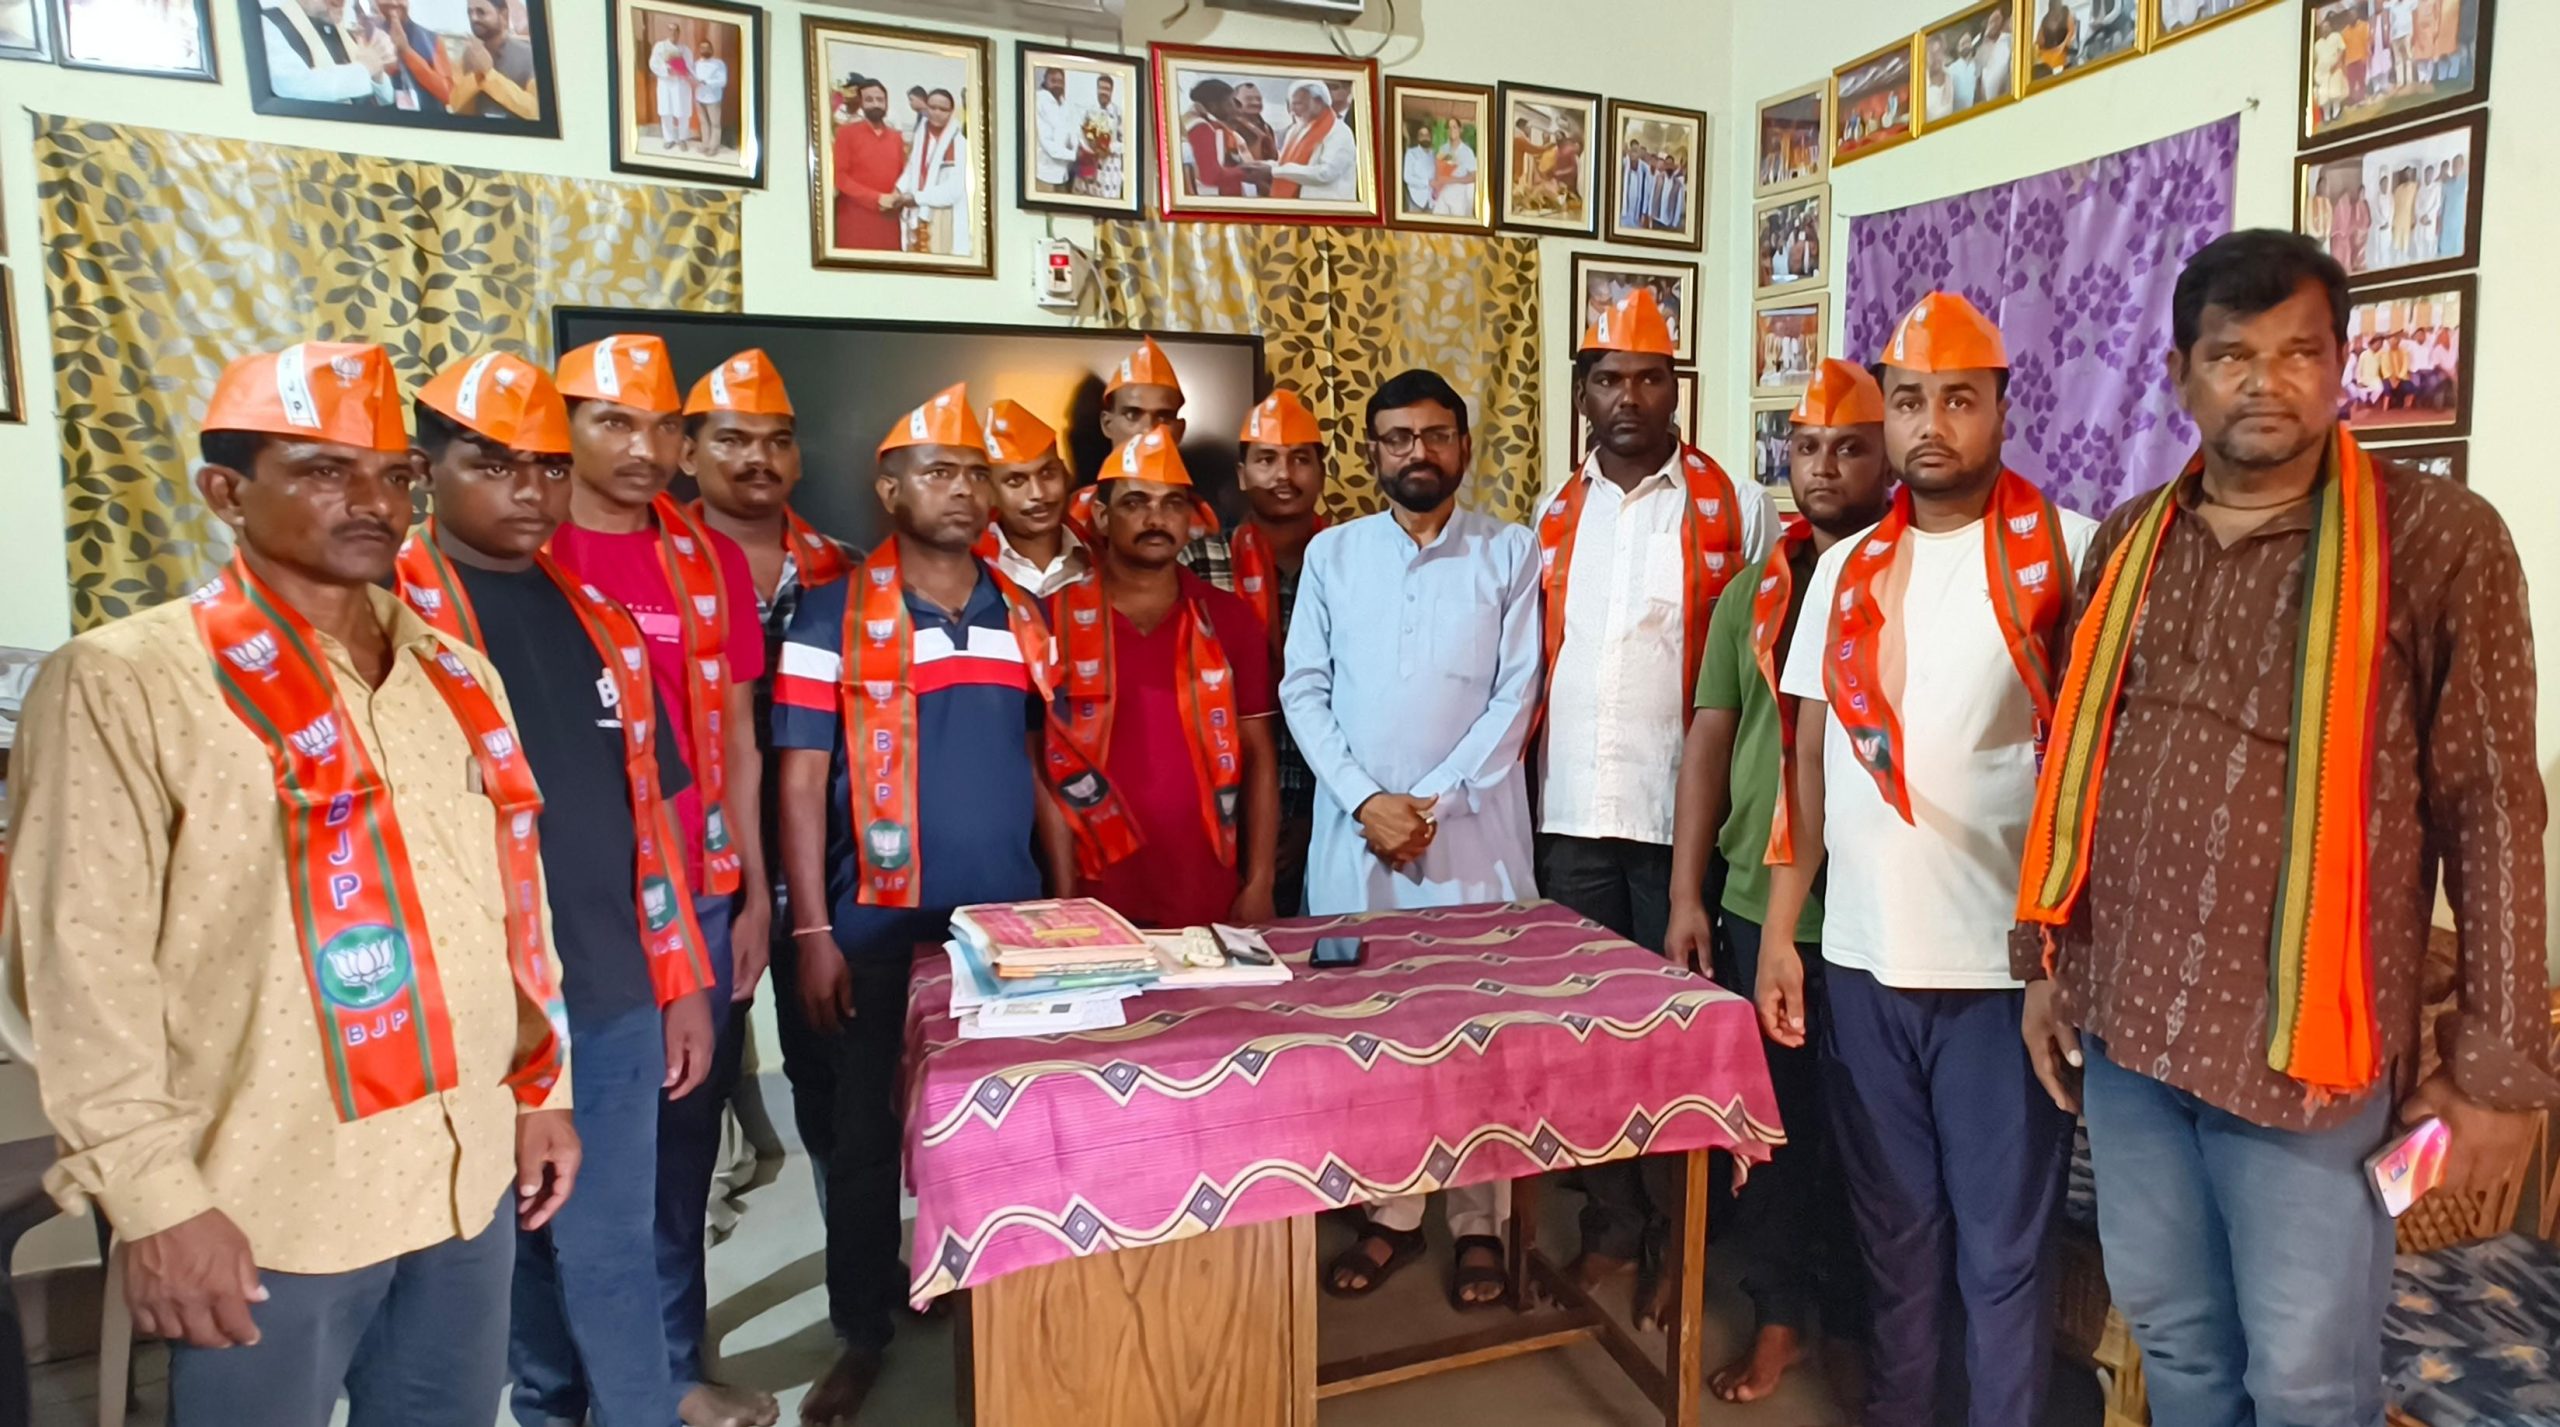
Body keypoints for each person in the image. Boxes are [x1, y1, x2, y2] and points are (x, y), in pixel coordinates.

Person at [2015, 233, 2555, 1427]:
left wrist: (2495, 1072)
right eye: (2231, 356)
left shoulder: (2436, 540)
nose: (2265, 382)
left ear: (2340, 364)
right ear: (2180, 374)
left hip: (2305, 1063)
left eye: (2298, 352)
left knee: (2306, 1379)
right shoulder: (2128, 540)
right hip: (2130, 1030)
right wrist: (2046, 961)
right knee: (2175, 1340)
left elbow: (2492, 804)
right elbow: (2075, 766)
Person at [6, 342, 578, 1426]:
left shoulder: (455, 672)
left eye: (397, 475)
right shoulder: (127, 682)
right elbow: (79, 966)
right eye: (324, 470)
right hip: (267, 1198)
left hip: (461, 1172)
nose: (375, 502)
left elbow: (515, 901)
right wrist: (155, 1201)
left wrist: (540, 1089)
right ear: (226, 492)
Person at [1759, 294, 2095, 1427]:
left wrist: (2059, 956)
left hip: (2004, 974)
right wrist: (1783, 933)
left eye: (1959, 399)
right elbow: (1809, 770)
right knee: (1895, 1243)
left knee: (2001, 1256)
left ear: (2002, 406)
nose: (1931, 424)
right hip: (1862, 961)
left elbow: (2096, 770)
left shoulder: (2068, 549)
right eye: (1909, 401)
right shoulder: (1844, 570)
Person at [394, 351, 718, 1427]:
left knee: (609, 1246)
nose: (528, 491)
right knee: (499, 1250)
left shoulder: (600, 624)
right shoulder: (386, 617)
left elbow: (651, 818)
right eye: (494, 465)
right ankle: (545, 1408)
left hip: (609, 992)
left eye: (543, 467)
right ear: (427, 471)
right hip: (462, 1006)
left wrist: (681, 980)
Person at [775, 386, 1076, 1424]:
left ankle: (1004, 1293)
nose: (964, 489)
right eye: (940, 471)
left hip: (1001, 922)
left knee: (1008, 1122)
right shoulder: (828, 615)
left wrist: (1066, 898)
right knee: (863, 1135)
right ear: (891, 488)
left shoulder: (1019, 613)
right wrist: (810, 930)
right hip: (869, 920)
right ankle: (862, 1330)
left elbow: (1034, 765)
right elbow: (801, 782)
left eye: (977, 472)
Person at [547, 334, 775, 1427]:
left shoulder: (707, 560)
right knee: (553, 1167)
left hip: (696, 896)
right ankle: (566, 1392)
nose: (643, 448)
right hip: (556, 909)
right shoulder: (519, 546)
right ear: (563, 430)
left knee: (677, 1156)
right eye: (613, 422)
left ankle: (673, 1371)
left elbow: (738, 739)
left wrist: (755, 895)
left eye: (661, 426)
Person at [1282, 368, 1541, 1310]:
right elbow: (1302, 688)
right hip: (1357, 842)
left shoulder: (1511, 551)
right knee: (1371, 1031)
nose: (1417, 453)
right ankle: (1391, 1211)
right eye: (1398, 437)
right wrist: (1366, 802)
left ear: (1464, 446)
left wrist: (1426, 805)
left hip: (1473, 841)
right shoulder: (1333, 555)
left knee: (1478, 1033)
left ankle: (1480, 1222)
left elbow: (1516, 695)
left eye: (1435, 435)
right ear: (1373, 451)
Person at [1541, 285, 1774, 1315]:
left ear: (1676, 387)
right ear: (1583, 392)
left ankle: (1687, 1238)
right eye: (1608, 379)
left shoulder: (1736, 506)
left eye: (1648, 377)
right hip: (1570, 819)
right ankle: (1612, 1225)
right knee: (1586, 1035)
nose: (1628, 396)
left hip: (1684, 827)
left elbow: (1750, 680)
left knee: (1683, 1038)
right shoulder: (1555, 511)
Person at [1663, 360, 1892, 1399]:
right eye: (1806, 448)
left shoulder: (1913, 578)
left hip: (1883, 910)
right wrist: (1687, 895)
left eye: (1849, 447)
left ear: (1888, 456)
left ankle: (1857, 1319)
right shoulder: (1751, 592)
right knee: (1773, 1127)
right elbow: (1710, 743)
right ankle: (1781, 1313)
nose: (1825, 466)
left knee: (1870, 1137)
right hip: (1762, 902)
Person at [1053, 429, 1280, 929]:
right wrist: (1059, 895)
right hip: (1088, 899)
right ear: (1102, 517)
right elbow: (1037, 768)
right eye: (1136, 503)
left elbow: (1260, 754)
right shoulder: (1054, 620)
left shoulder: (1229, 618)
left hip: (1209, 897)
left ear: (1189, 519)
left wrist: (1260, 881)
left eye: (1172, 504)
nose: (1156, 519)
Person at [1189, 390, 1330, 912]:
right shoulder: (1196, 562)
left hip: (1337, 811)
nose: (1283, 475)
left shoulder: (1353, 560)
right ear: (1242, 473)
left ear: (1323, 471)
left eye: (1300, 459)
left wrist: (1320, 816)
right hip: (1216, 814)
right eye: (1266, 460)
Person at [978, 399, 1089, 596]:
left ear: (1065, 473)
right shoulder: (969, 567)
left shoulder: (1099, 554)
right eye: (1016, 481)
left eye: (1047, 474)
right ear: (989, 490)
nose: (1038, 493)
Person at [256, 0, 394, 106]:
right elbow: (294, 86)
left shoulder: (345, 32)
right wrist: (364, 69)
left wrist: (377, 75)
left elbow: (387, 99)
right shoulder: (269, 24)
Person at [1243, 79, 1359, 202]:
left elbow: (1325, 173)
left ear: (1318, 102)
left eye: (1298, 104)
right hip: (1297, 206)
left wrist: (1273, 171)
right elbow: (1289, 166)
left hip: (1329, 209)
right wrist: (1264, 166)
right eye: (1291, 104)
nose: (1292, 111)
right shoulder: (1296, 131)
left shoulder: (1339, 132)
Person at [831, 77, 906, 253]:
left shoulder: (896, 138)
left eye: (880, 100)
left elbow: (902, 174)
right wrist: (876, 198)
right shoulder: (846, 134)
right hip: (854, 220)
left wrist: (897, 196)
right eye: (869, 100)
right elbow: (840, 177)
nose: (875, 104)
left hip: (888, 220)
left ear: (886, 103)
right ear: (861, 103)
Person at [897, 88, 968, 257]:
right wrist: (897, 191)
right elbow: (911, 168)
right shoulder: (921, 136)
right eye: (933, 107)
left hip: (942, 215)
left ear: (951, 112)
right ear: (926, 108)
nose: (937, 113)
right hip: (916, 213)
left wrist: (917, 198)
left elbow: (955, 190)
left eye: (943, 109)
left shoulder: (958, 143)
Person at [445, 0, 537, 122]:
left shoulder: (529, 55)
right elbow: (457, 107)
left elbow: (535, 111)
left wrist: (489, 74)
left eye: (481, 12)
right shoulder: (468, 55)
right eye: (470, 12)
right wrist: (476, 76)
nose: (474, 18)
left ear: (503, 15)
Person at [1181, 78, 1251, 199]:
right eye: (1230, 103)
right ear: (1213, 106)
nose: (1235, 108)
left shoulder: (1189, 121)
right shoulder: (1200, 127)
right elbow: (1210, 176)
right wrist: (1248, 173)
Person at [1032, 65, 1079, 193]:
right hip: (1044, 175)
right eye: (1053, 81)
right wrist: (1075, 155)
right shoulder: (1038, 100)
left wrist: (1081, 149)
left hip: (1063, 176)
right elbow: (1047, 143)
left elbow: (1073, 133)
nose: (1057, 85)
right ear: (1045, 81)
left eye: (1060, 81)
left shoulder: (1065, 104)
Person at [1432, 121, 1478, 218]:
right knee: (1437, 222)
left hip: (1458, 198)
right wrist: (1437, 185)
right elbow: (1438, 170)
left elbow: (1473, 177)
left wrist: (1452, 180)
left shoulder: (1467, 152)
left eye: (1454, 127)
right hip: (1442, 195)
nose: (1451, 130)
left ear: (1460, 130)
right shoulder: (1443, 149)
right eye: (1449, 128)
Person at [692, 40, 729, 155]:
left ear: (712, 49)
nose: (705, 50)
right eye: (702, 48)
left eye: (707, 47)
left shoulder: (718, 64)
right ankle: (705, 145)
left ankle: (713, 147)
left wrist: (707, 82)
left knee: (715, 124)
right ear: (699, 50)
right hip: (699, 97)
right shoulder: (696, 64)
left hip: (713, 98)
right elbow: (693, 78)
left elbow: (723, 81)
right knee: (704, 123)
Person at [1402, 121, 1438, 214]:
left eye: (1427, 135)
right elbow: (1407, 177)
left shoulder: (1434, 154)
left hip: (1431, 201)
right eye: (1422, 135)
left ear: (1430, 137)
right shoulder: (1411, 153)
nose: (1425, 137)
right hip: (1415, 200)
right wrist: (1427, 182)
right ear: (1418, 137)